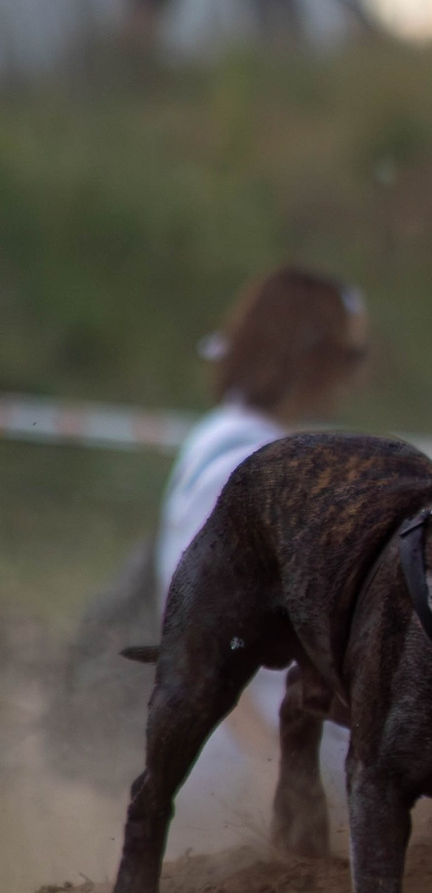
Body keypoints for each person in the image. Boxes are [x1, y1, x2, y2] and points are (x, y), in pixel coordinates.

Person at [158, 266, 369, 818]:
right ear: (308, 354)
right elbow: (194, 629)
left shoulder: (247, 444)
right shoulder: (239, 460)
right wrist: (270, 766)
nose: (354, 377)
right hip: (249, 766)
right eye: (350, 357)